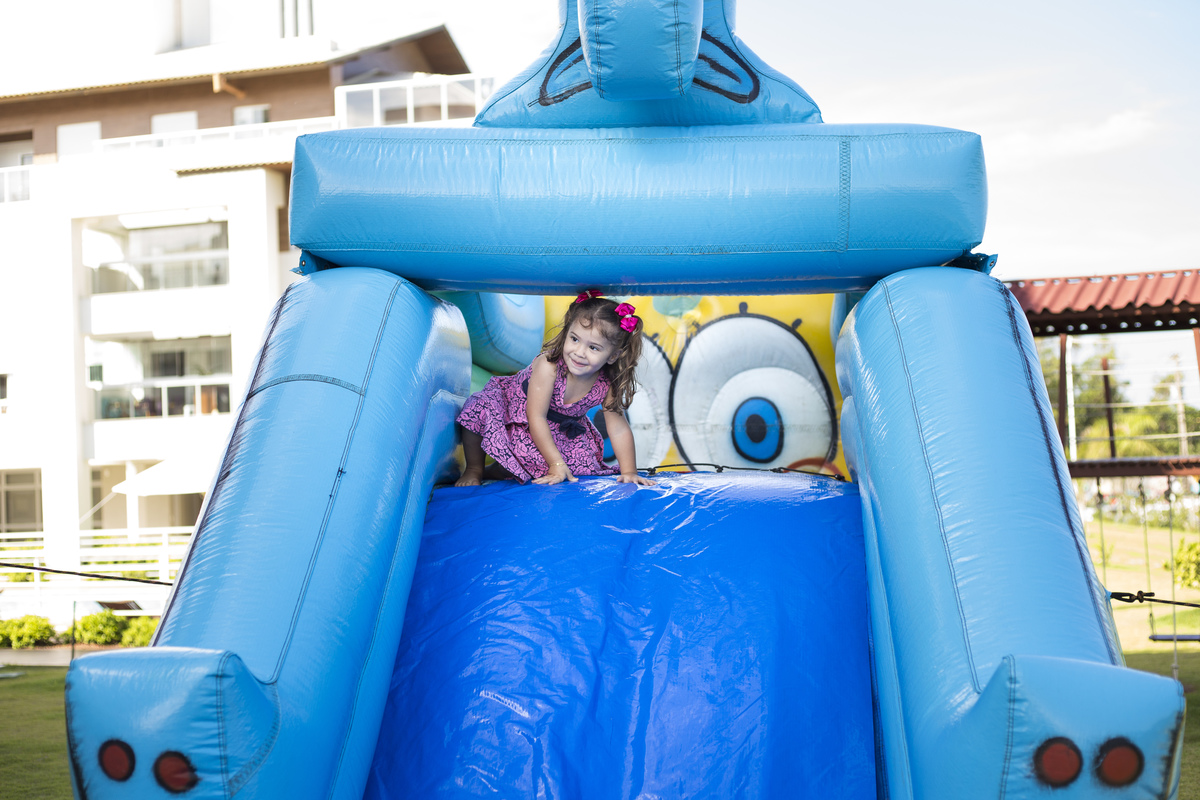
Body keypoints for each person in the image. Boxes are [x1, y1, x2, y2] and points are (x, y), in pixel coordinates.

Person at [455, 290, 655, 487]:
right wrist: (556, 464)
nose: (579, 352)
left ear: (612, 356)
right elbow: (536, 417)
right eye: (574, 339)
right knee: (477, 408)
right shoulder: (549, 366)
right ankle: (474, 468)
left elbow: (618, 428)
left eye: (593, 347)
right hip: (518, 413)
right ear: (566, 333)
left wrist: (629, 472)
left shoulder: (607, 382)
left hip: (559, 430)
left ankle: (499, 471)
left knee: (580, 469)